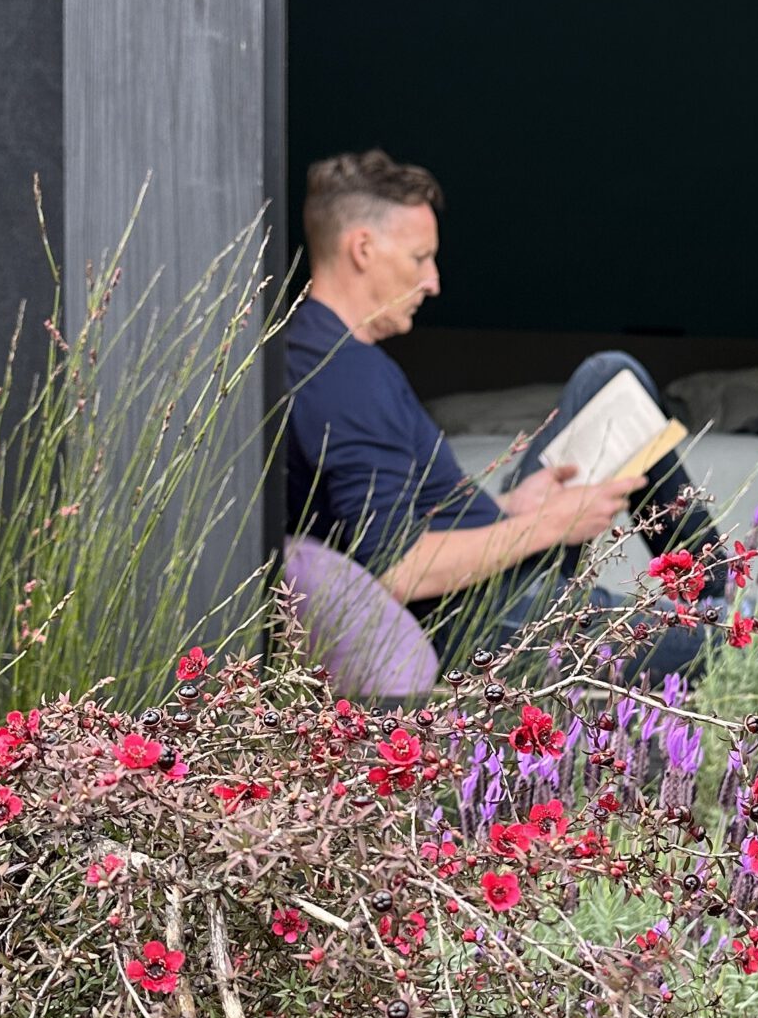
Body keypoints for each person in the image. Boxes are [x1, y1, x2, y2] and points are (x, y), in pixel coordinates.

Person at [283, 149, 725, 679]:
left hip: (495, 581)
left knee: (610, 376)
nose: (433, 282)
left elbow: (400, 518)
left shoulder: (310, 348)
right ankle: (720, 620)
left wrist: (512, 506)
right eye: (420, 258)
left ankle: (712, 599)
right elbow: (398, 569)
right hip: (495, 622)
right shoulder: (347, 377)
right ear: (363, 248)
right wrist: (546, 525)